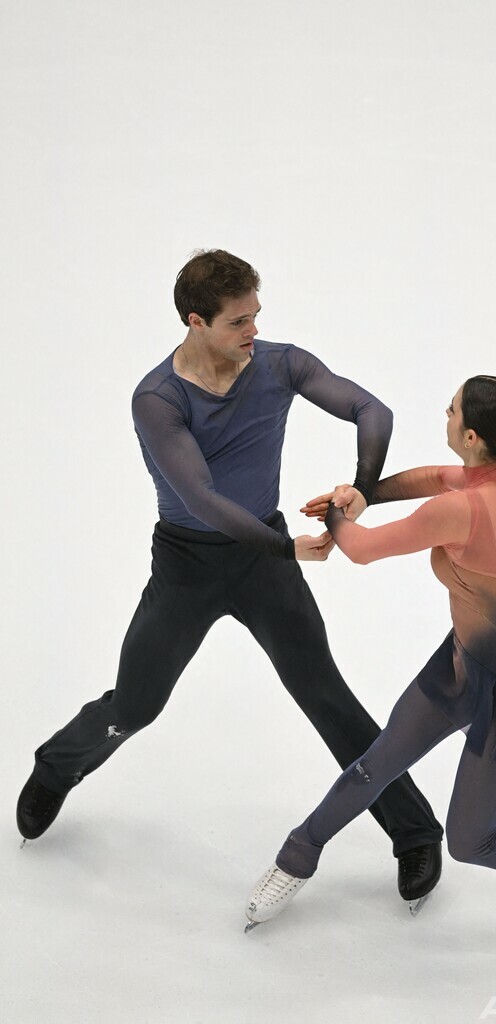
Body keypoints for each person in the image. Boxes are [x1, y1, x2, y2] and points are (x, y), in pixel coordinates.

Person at [16, 249, 444, 905]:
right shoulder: (158, 400)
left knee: (324, 693)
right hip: (188, 565)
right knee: (135, 705)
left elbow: (370, 409)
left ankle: (414, 831)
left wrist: (361, 488)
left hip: (261, 561)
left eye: (256, 314)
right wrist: (287, 551)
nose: (254, 330)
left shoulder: (281, 364)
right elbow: (202, 501)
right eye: (238, 321)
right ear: (196, 321)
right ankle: (56, 768)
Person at [245, 375, 496, 971]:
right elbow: (434, 476)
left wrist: (337, 515)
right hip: (462, 662)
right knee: (376, 764)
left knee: (470, 840)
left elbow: (363, 550)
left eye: (452, 409)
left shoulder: (464, 510)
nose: (444, 413)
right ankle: (295, 857)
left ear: (470, 435)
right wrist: (365, 494)